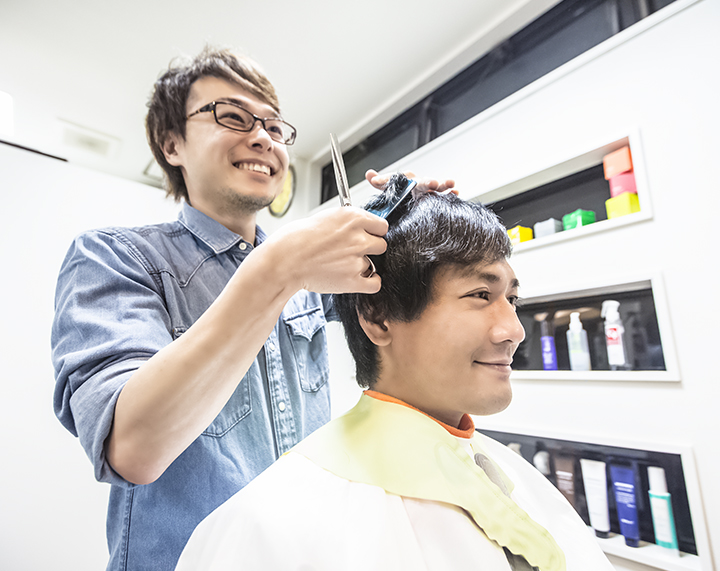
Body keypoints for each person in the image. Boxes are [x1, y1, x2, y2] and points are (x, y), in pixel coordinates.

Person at [51, 48, 454, 571]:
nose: (263, 138)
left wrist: (410, 225)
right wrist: (278, 269)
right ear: (172, 144)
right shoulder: (115, 259)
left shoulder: (307, 270)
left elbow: (404, 318)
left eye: (273, 125)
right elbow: (133, 448)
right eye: (233, 117)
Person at [175, 176, 614, 571]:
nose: (514, 331)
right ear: (379, 317)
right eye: (481, 294)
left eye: (511, 300)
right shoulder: (272, 523)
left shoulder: (512, 473)